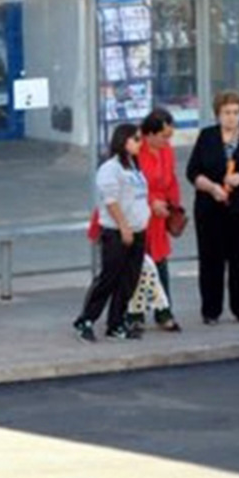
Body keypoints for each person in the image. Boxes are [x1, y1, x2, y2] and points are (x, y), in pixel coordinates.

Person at [185, 90, 239, 326]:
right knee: (211, 260)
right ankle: (211, 310)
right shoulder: (207, 137)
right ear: (217, 114)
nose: (231, 118)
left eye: (235, 112)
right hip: (210, 209)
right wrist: (212, 188)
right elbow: (193, 171)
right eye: (226, 113)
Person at [74, 123, 149, 343]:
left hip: (138, 230)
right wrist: (124, 226)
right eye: (135, 139)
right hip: (118, 232)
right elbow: (111, 201)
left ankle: (116, 323)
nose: (139, 143)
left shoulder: (134, 167)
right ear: (123, 141)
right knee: (109, 277)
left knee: (129, 279)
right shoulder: (111, 168)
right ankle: (86, 319)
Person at [134, 108, 182, 332]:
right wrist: (152, 201)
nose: (167, 140)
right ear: (149, 134)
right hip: (138, 214)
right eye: (164, 136)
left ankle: (164, 311)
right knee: (137, 264)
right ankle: (135, 312)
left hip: (159, 217)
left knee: (160, 263)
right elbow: (132, 184)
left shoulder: (166, 151)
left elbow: (171, 179)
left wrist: (173, 206)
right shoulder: (136, 151)